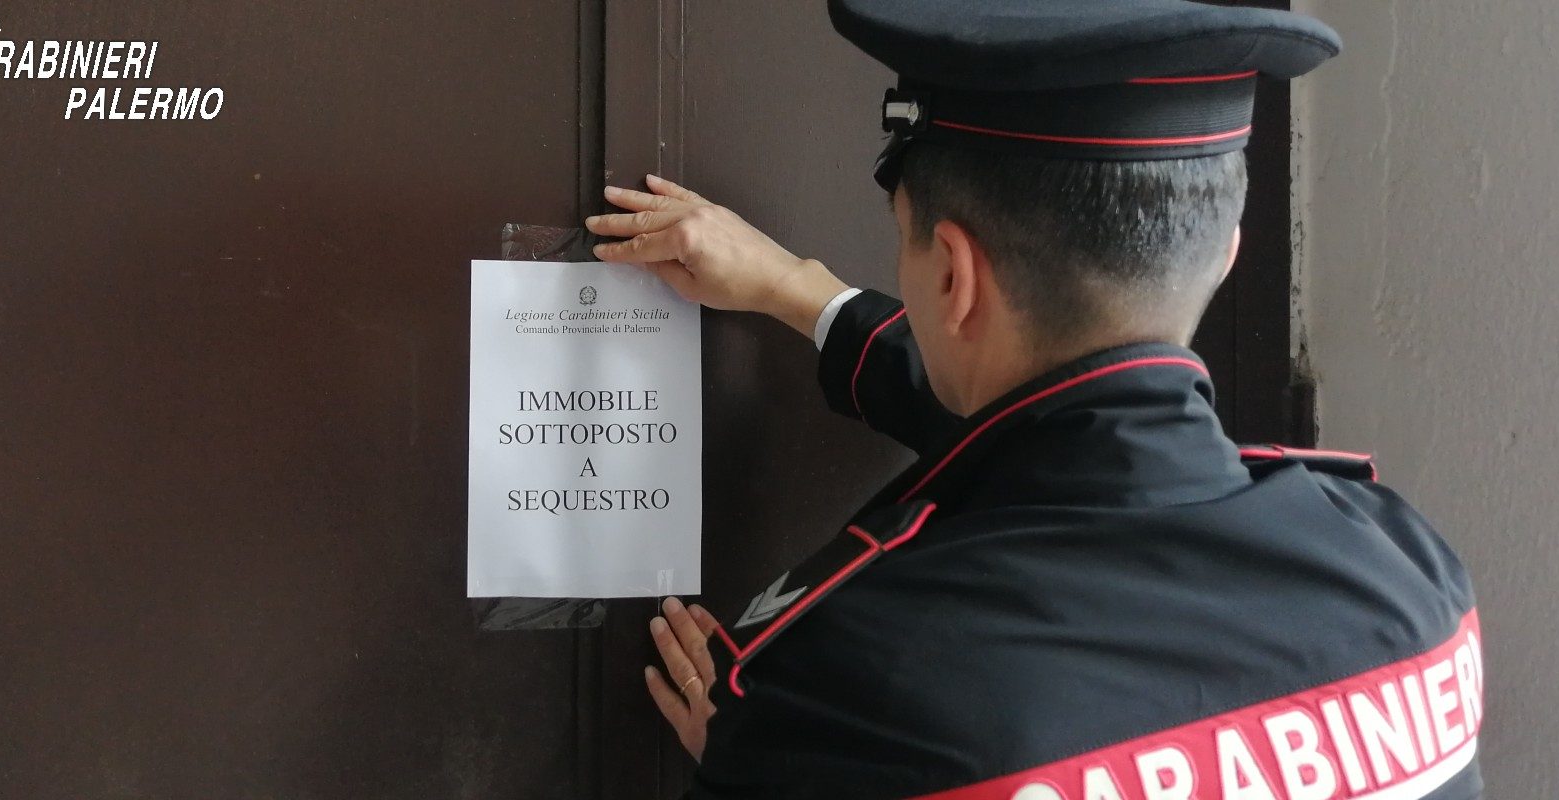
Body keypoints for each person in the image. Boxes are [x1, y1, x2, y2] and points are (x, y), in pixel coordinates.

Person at [585, 1, 1483, 798]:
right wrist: (795, 290)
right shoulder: (1403, 573)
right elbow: (1082, 441)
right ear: (1226, 251)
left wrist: (772, 760)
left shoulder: (856, 692)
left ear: (954, 275)